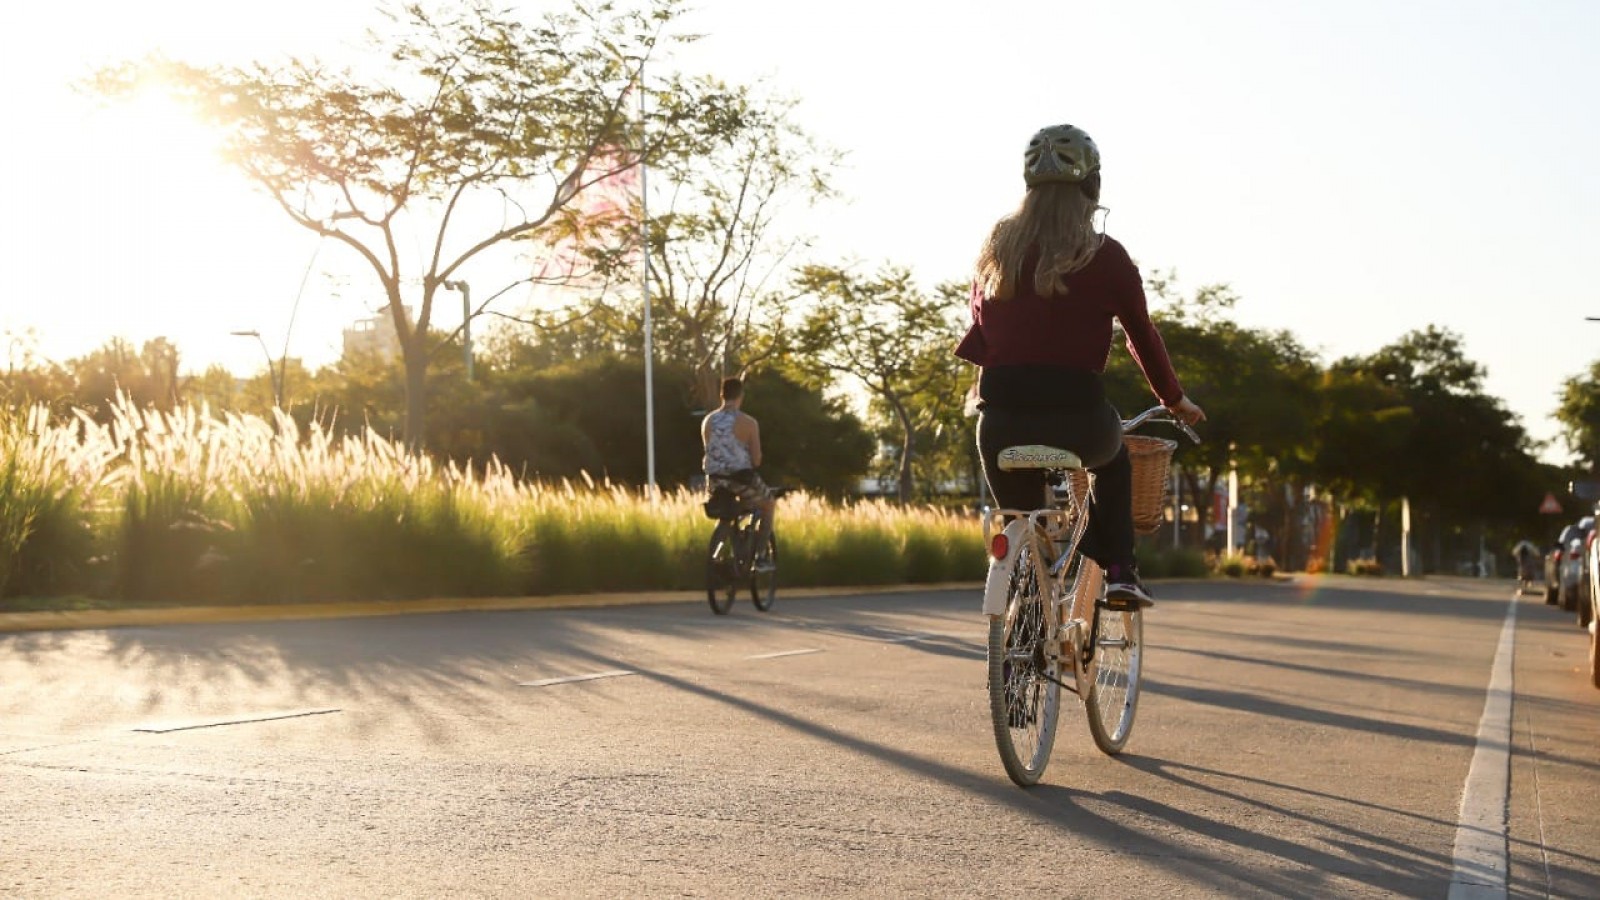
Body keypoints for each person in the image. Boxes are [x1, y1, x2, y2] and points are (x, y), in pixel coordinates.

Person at [954, 123, 1206, 609]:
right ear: (1093, 187)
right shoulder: (1105, 255)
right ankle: (1119, 571)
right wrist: (1173, 399)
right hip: (1080, 422)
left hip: (1000, 423)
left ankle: (1021, 629)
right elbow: (1142, 336)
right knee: (1113, 464)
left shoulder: (996, 252)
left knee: (1019, 521)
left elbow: (981, 327)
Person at [701, 377, 776, 569]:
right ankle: (760, 556)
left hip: (714, 480)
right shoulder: (748, 422)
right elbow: (757, 460)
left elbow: (711, 452)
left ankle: (719, 553)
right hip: (741, 479)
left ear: (721, 395)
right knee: (768, 504)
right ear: (741, 396)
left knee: (731, 510)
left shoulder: (707, 421)